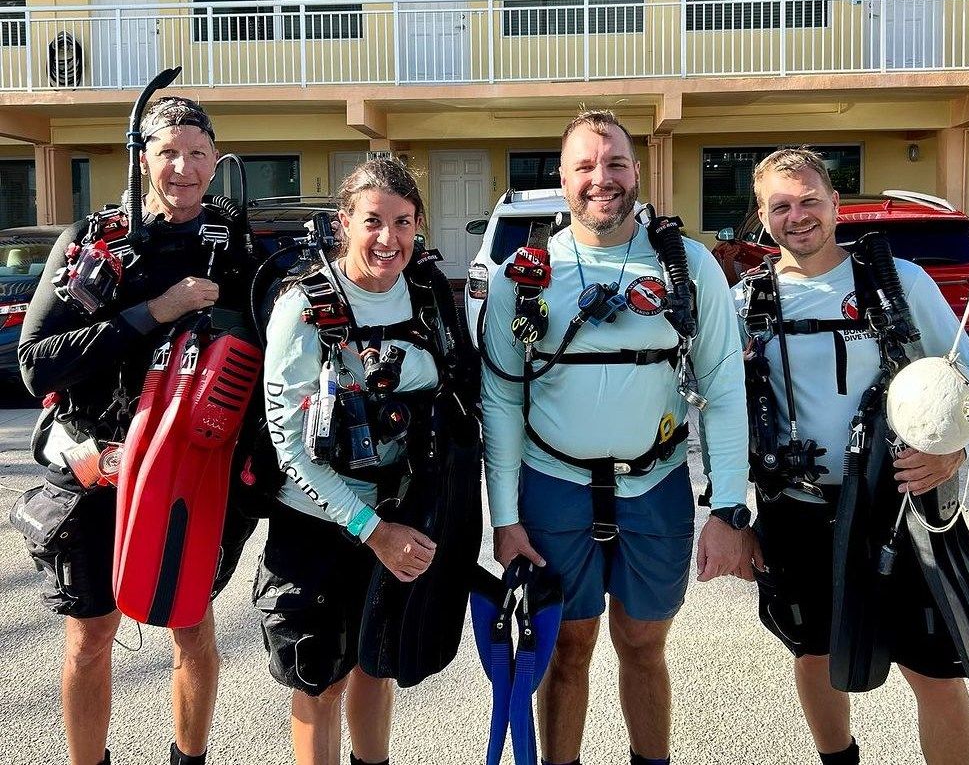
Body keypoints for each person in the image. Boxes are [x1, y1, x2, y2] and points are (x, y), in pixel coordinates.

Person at [480, 110, 751, 765]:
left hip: (655, 490)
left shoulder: (686, 265)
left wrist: (729, 509)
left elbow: (722, 388)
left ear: (636, 172)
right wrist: (506, 519)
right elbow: (500, 400)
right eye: (585, 166)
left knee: (643, 646)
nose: (602, 179)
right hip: (555, 492)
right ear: (563, 179)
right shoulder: (524, 273)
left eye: (616, 164)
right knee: (567, 650)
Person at [13, 97, 258, 765]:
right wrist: (155, 310)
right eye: (168, 151)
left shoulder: (231, 245)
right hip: (97, 468)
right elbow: (35, 365)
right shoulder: (97, 239)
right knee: (91, 638)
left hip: (190, 474)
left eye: (197, 152)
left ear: (215, 159)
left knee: (191, 628)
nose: (183, 167)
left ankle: (189, 760)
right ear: (141, 156)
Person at [735, 147, 969, 765]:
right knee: (817, 653)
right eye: (780, 206)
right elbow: (722, 411)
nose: (797, 216)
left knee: (934, 670)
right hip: (797, 510)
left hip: (898, 506)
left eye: (808, 201)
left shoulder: (898, 282)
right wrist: (734, 517)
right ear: (762, 215)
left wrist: (954, 450)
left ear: (834, 203)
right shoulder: (747, 302)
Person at [258, 158, 477, 765]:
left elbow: (459, 399)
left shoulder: (429, 296)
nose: (389, 239)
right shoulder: (303, 308)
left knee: (377, 665)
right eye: (373, 222)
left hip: (404, 512)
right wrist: (371, 530)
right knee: (319, 678)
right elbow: (291, 445)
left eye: (403, 223)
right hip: (321, 524)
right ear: (342, 224)